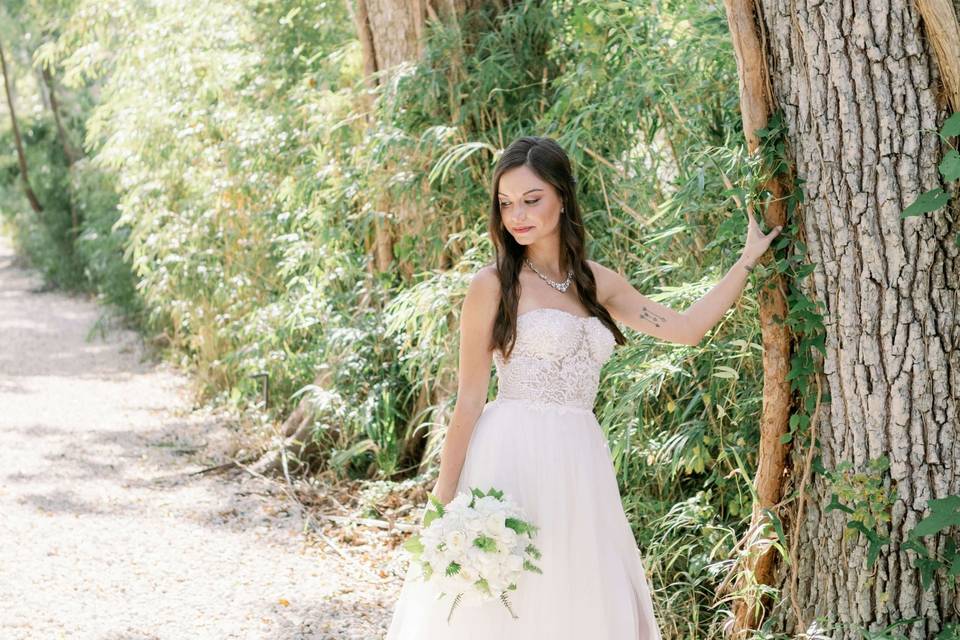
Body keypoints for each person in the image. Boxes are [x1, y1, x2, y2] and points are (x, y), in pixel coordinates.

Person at [385, 135, 782, 639]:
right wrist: (442, 498)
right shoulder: (492, 285)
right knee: (509, 594)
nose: (518, 215)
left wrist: (745, 262)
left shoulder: (598, 283)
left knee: (577, 586)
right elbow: (469, 399)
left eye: (532, 199)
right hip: (510, 450)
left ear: (562, 197)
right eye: (506, 204)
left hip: (579, 456)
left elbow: (686, 329)